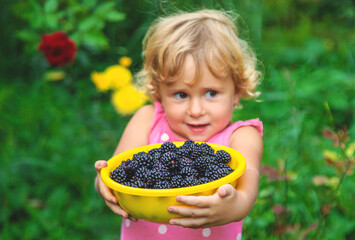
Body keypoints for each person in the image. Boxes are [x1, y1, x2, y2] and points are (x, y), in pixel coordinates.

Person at [95, 9, 263, 240]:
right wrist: (104, 185)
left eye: (211, 93)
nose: (196, 111)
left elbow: (247, 194)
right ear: (159, 91)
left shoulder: (242, 137)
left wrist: (233, 206)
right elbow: (118, 172)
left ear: (237, 91)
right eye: (181, 95)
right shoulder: (146, 119)